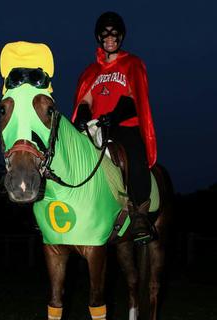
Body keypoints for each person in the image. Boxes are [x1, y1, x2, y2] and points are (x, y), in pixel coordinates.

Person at [71, 11, 157, 243]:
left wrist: (115, 116)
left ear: (121, 36)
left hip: (123, 124)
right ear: (99, 37)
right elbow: (85, 99)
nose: (110, 38)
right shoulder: (91, 71)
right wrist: (83, 116)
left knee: (135, 155)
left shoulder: (132, 63)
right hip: (96, 126)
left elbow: (133, 96)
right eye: (105, 34)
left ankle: (139, 214)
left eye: (114, 34)